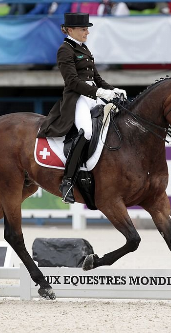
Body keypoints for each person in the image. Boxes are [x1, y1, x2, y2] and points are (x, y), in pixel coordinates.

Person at [38, 13, 126, 204]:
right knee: (85, 132)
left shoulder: (83, 48)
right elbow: (72, 82)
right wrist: (101, 94)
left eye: (87, 29)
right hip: (78, 98)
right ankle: (68, 181)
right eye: (83, 29)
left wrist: (113, 90)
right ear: (70, 30)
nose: (87, 32)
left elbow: (97, 78)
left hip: (93, 96)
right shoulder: (65, 50)